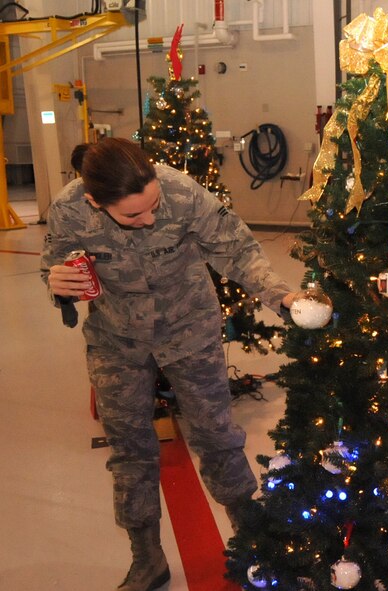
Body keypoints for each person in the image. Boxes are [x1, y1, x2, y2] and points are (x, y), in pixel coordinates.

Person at [41, 137, 296, 591]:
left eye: (154, 204)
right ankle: (147, 558)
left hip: (189, 329)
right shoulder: (69, 209)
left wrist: (282, 296)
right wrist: (57, 283)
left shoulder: (181, 191)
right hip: (118, 340)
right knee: (130, 450)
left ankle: (252, 541)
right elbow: (56, 266)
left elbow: (236, 249)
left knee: (217, 436)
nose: (151, 217)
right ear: (95, 201)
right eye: (134, 215)